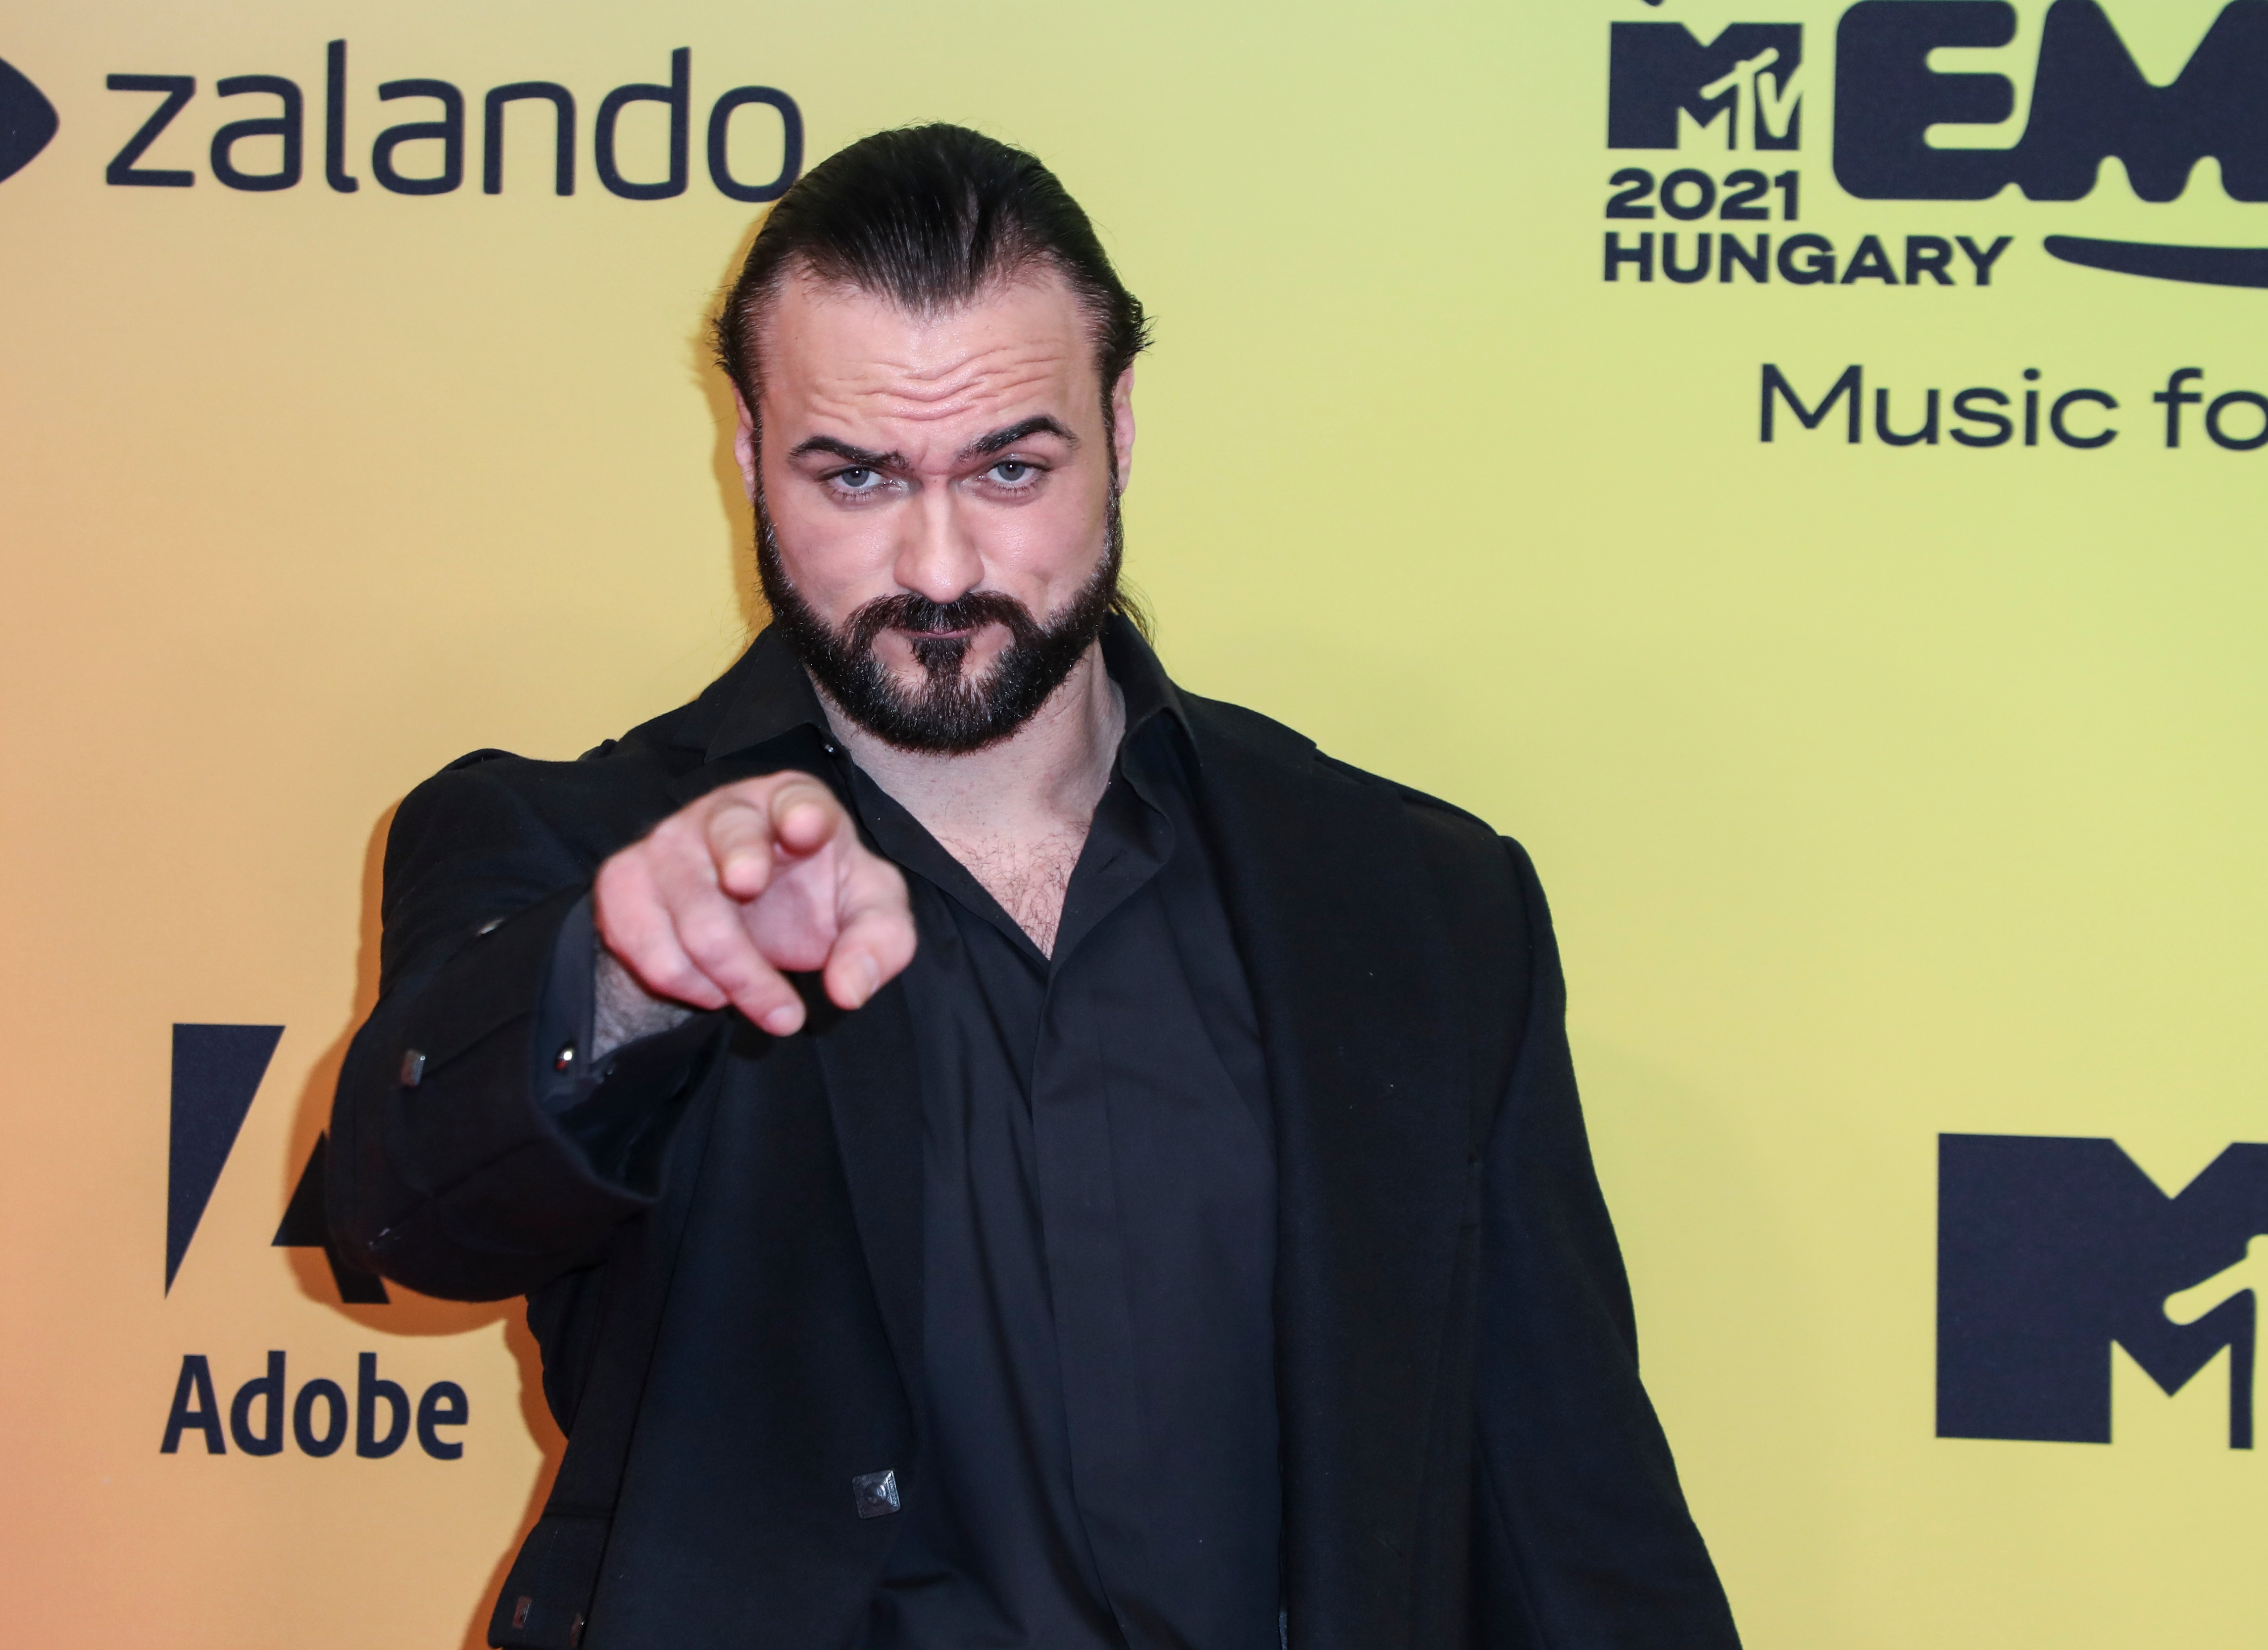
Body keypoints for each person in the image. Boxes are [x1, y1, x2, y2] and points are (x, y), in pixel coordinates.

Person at [328, 123, 1739, 1650]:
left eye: (1010, 466)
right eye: (855, 475)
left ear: (1120, 429)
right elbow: (403, 1219)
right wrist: (622, 980)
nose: (939, 567)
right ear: (745, 452)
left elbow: (1571, 1505)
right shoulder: (570, 850)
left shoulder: (1416, 899)